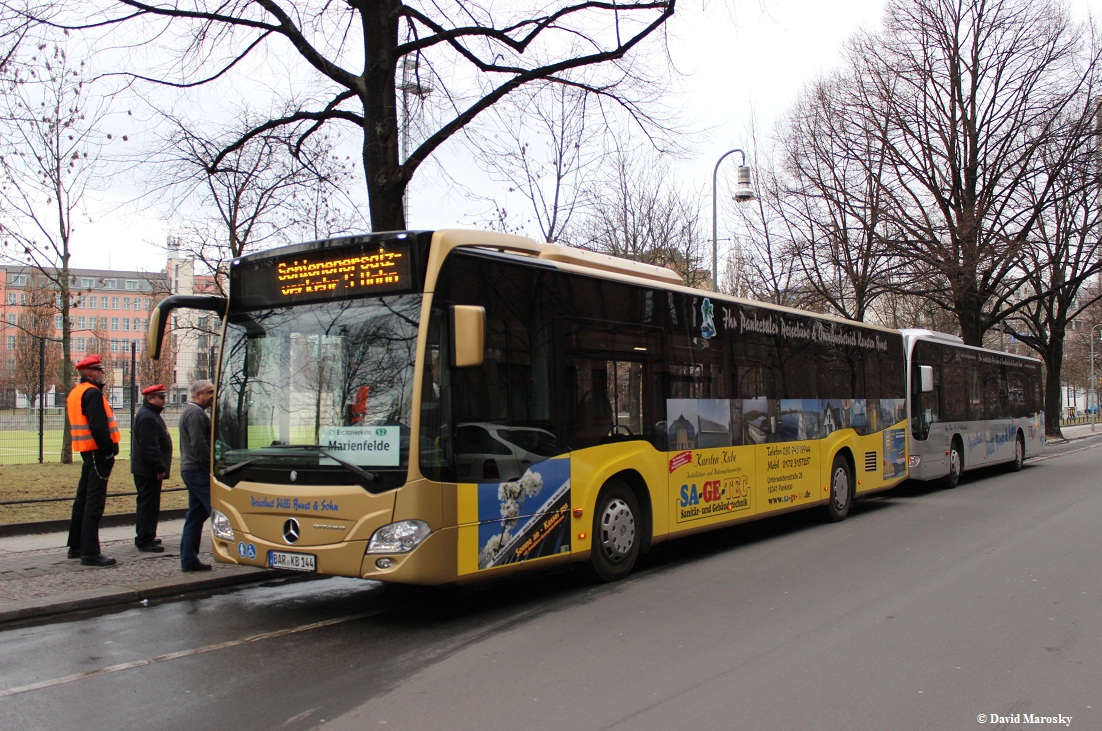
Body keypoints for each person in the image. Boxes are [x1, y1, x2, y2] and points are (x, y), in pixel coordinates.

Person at [66, 354, 121, 567]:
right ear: (90, 372)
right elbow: (99, 426)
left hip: (87, 452)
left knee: (82, 499)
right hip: (98, 452)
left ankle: (77, 546)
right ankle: (90, 552)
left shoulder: (76, 393)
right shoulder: (92, 393)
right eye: (99, 370)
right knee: (94, 502)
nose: (102, 374)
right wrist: (109, 450)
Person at [131, 384, 173, 553]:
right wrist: (159, 467)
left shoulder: (149, 414)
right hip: (148, 470)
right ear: (150, 399)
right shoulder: (148, 417)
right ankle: (145, 539)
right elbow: (150, 446)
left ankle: (146, 535)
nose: (164, 400)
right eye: (160, 397)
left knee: (148, 504)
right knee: (148, 505)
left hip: (146, 469)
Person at [179, 379, 215, 572]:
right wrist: (212, 464)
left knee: (195, 515)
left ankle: (189, 559)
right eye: (209, 393)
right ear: (198, 394)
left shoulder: (192, 411)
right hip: (198, 470)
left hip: (192, 469)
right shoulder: (195, 413)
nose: (212, 396)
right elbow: (199, 445)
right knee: (217, 509)